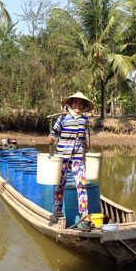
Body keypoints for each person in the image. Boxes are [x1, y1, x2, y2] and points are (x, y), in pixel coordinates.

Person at [48, 92, 93, 225]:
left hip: (77, 157)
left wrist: (86, 148)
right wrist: (51, 140)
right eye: (75, 103)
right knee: (60, 184)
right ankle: (57, 210)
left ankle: (84, 212)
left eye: (81, 103)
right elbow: (54, 133)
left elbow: (83, 137)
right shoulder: (62, 119)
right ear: (70, 104)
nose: (78, 105)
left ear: (84, 106)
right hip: (62, 156)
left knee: (82, 184)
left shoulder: (84, 120)